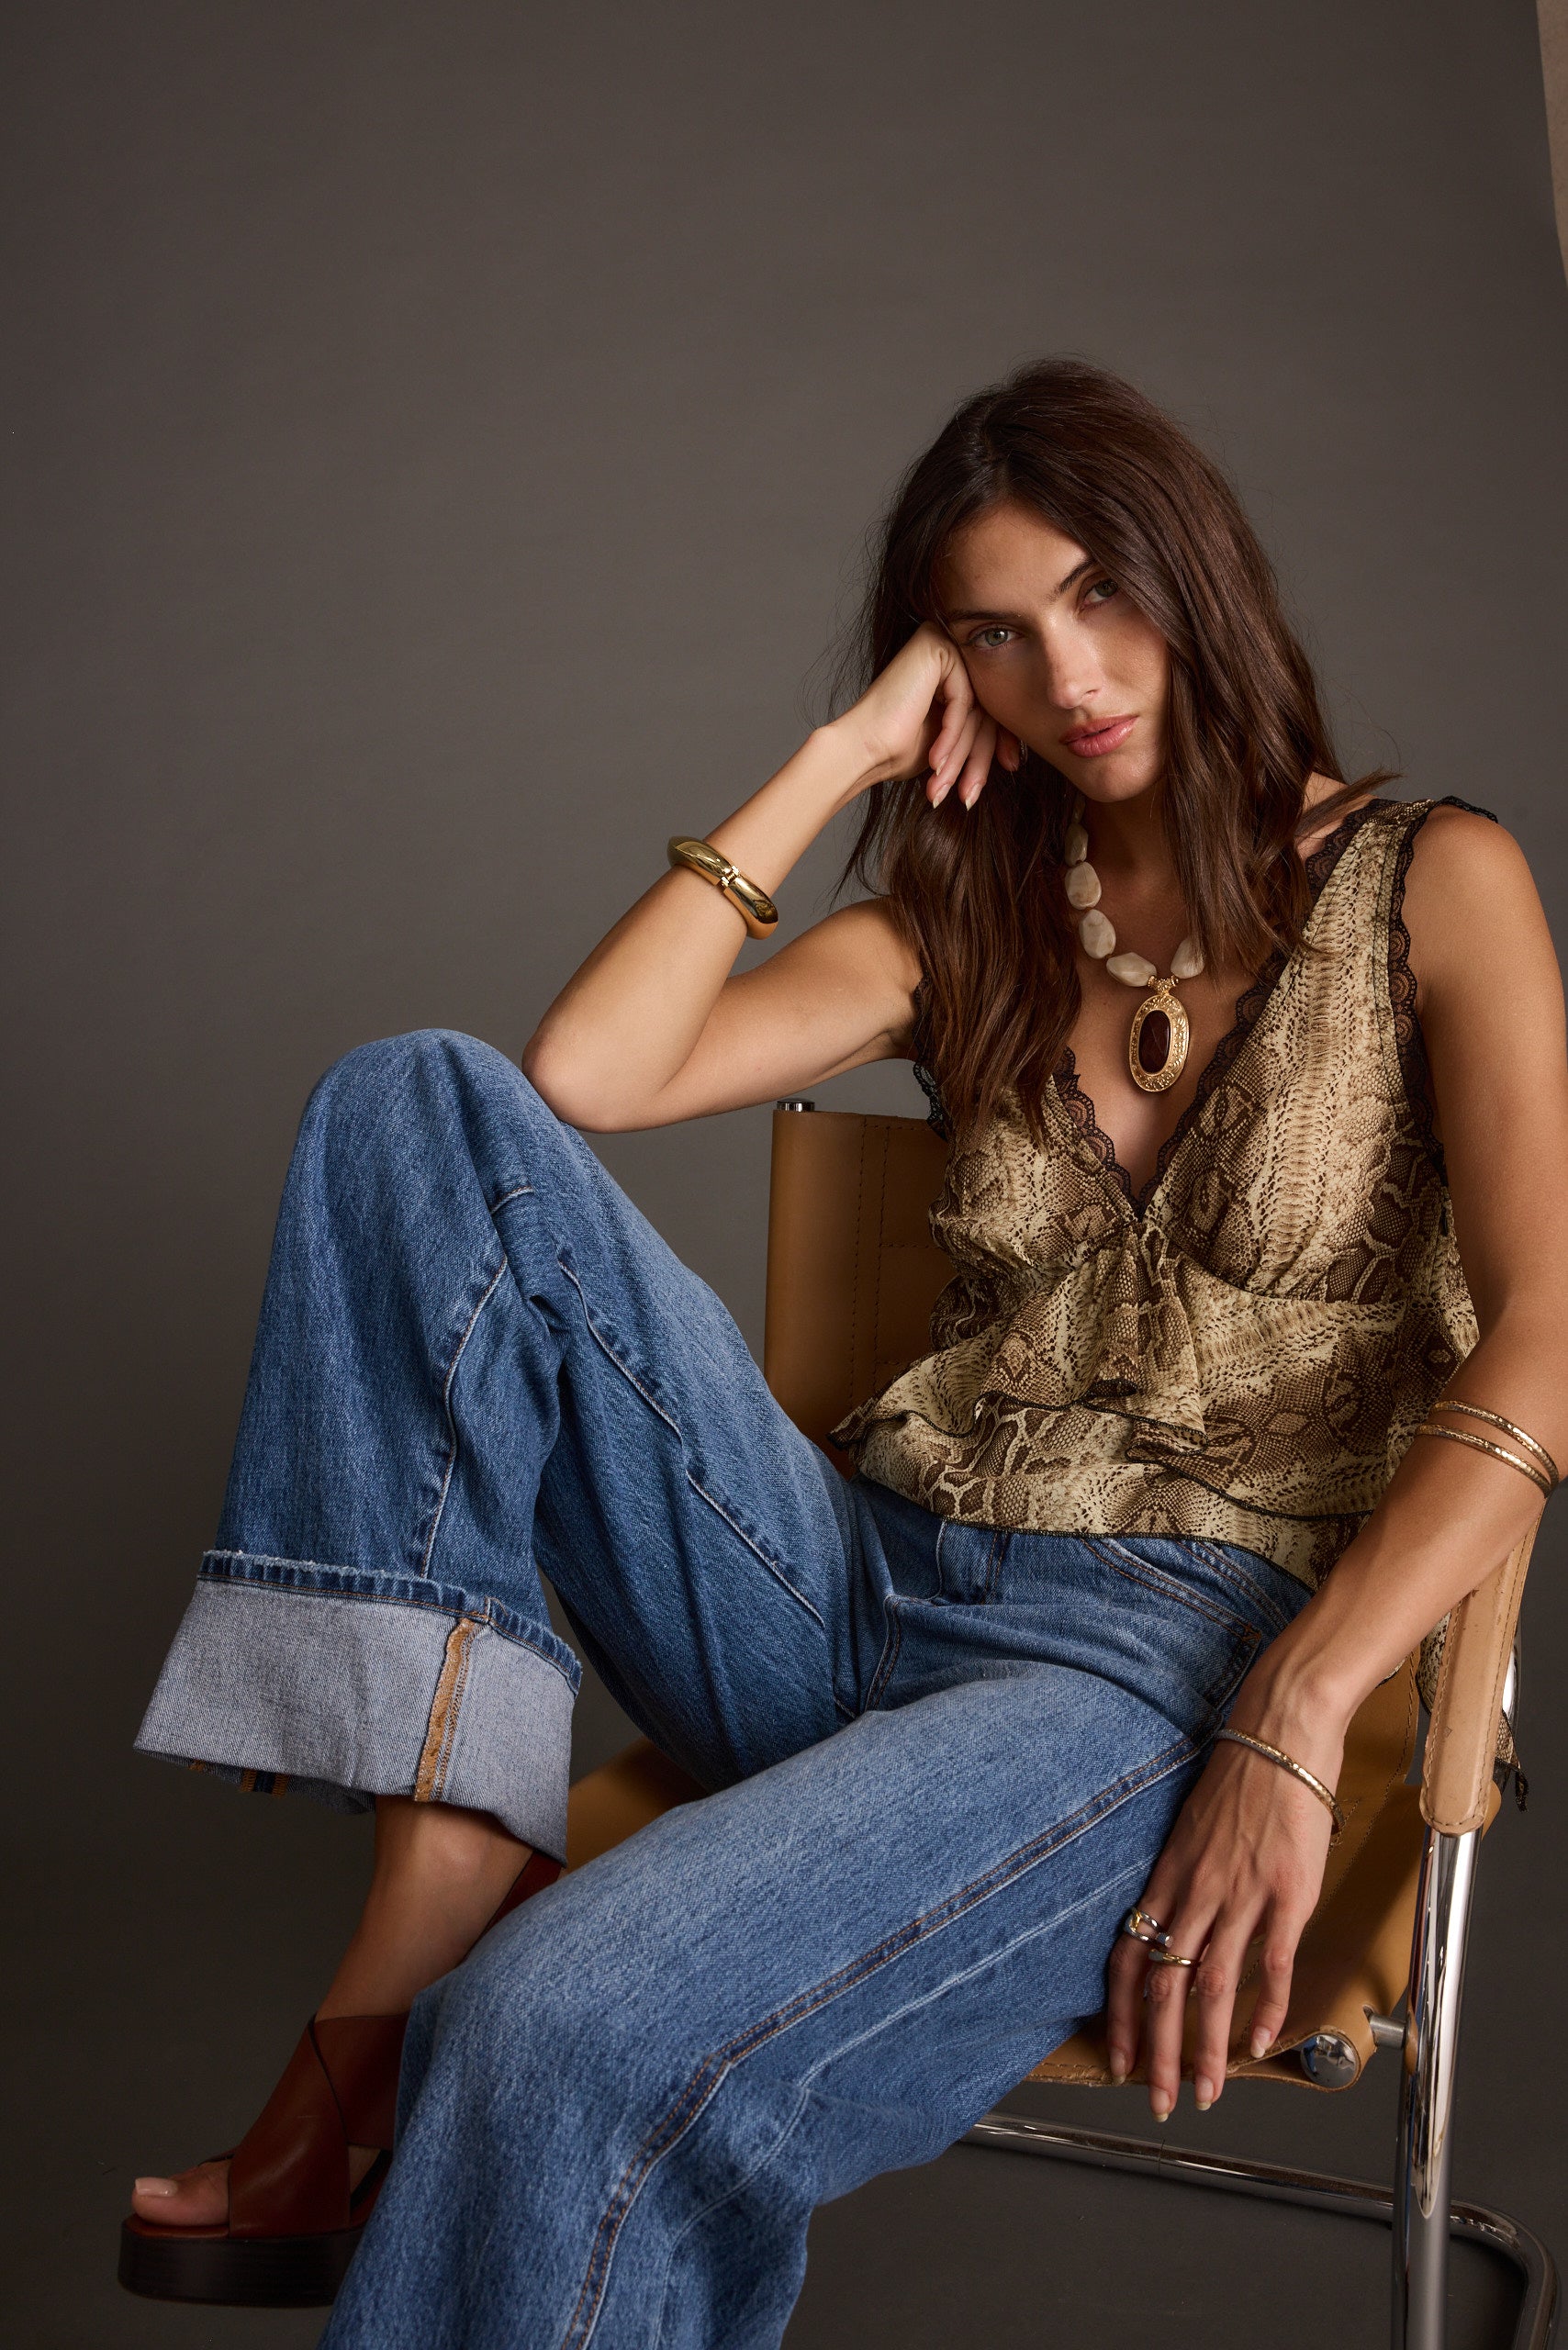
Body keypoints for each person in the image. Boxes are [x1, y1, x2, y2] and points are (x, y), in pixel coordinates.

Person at [121, 360, 1568, 2348]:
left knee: (554, 2031)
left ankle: (442, 2013)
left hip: (1146, 1676)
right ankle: (434, 1876)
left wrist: (1298, 1707)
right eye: (994, 631)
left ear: (1195, 575)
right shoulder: (971, 925)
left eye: (1098, 593)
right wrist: (835, 758)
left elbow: (1546, 1337)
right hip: (842, 1594)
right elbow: (582, 1076)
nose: (1067, 674)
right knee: (417, 1106)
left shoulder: (1434, 883)